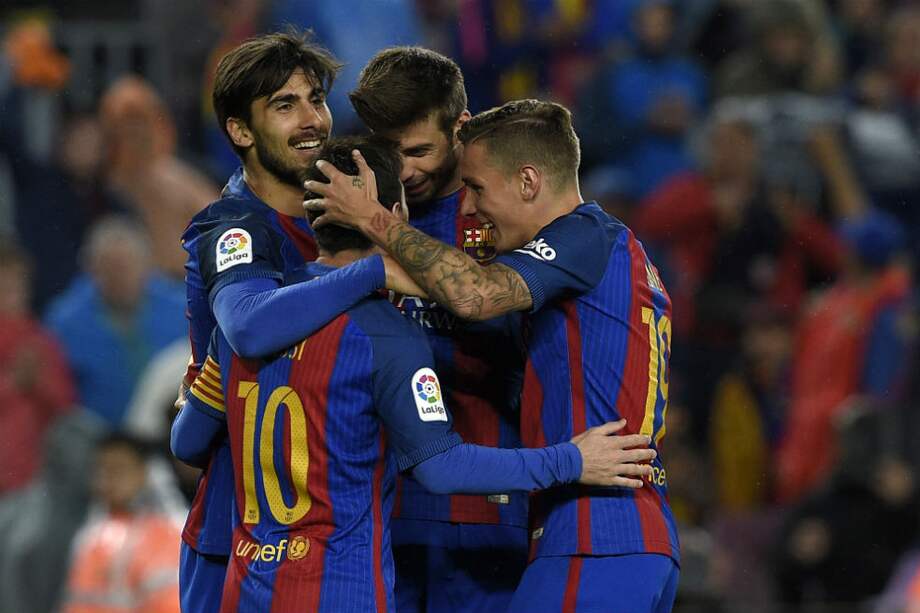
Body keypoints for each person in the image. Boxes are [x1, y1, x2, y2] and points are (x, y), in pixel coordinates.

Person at [172, 136, 656, 613]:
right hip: (339, 589)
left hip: (247, 585)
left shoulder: (245, 326)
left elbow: (187, 443)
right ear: (396, 217)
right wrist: (568, 461)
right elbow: (441, 467)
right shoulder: (389, 336)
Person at [306, 99, 680, 612]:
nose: (467, 208)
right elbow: (463, 289)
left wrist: (370, 218)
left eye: (477, 188)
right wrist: (354, 275)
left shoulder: (585, 235)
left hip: (596, 534)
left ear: (528, 182)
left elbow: (474, 294)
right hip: (625, 537)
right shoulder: (601, 261)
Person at [177, 30, 420, 613]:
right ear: (240, 130)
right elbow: (250, 328)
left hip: (339, 538)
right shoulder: (234, 227)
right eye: (285, 106)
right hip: (237, 541)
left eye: (316, 99)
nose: (312, 120)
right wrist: (379, 273)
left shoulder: (348, 220)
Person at [348, 46, 528, 612]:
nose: (404, 171)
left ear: (462, 127)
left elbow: (518, 348)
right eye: (389, 151)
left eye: (420, 150)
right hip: (380, 516)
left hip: (483, 511)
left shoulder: (508, 218)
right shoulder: (350, 222)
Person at [45, 216, 187, 427]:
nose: (119, 276)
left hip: (171, 430)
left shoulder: (183, 309)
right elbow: (58, 391)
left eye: (126, 266)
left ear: (148, 265)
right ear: (91, 270)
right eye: (109, 268)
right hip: (100, 438)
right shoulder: (65, 322)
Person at [61, 432, 182, 613]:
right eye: (101, 470)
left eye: (118, 469)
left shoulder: (171, 532)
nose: (106, 480)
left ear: (144, 472)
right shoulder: (90, 535)